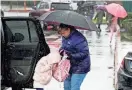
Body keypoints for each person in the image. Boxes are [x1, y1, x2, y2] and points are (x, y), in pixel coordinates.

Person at [58, 23, 91, 90]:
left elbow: (84, 53)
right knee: (67, 87)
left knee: (74, 87)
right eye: (61, 34)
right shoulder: (65, 37)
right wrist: (61, 51)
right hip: (68, 66)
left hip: (80, 67)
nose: (62, 35)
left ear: (68, 30)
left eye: (63, 33)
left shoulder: (79, 39)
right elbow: (63, 47)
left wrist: (71, 56)